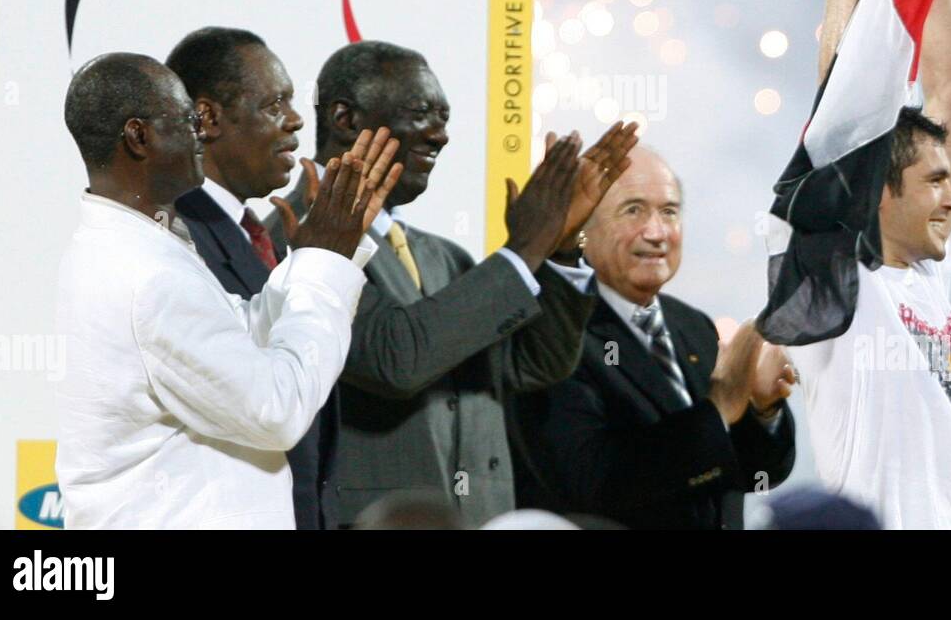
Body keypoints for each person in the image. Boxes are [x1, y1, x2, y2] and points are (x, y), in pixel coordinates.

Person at [266, 41, 638, 527]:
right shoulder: (299, 240)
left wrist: (560, 248)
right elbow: (395, 359)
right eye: (421, 113)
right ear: (345, 119)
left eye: (443, 117)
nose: (439, 136)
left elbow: (534, 365)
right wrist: (524, 249)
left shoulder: (445, 256)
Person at [54, 52, 400, 528]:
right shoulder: (146, 274)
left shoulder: (130, 246)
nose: (201, 132)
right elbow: (276, 409)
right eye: (187, 118)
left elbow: (242, 336)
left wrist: (315, 255)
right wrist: (325, 264)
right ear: (139, 137)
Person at [757, 0, 951, 528]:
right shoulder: (831, 282)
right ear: (876, 195)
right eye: (934, 181)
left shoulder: (928, 272)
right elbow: (845, 110)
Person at [511, 147, 797, 529]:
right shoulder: (554, 335)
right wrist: (718, 408)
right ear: (582, 227)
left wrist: (763, 410)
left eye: (669, 212)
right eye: (633, 210)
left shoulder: (691, 325)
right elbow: (593, 484)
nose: (656, 232)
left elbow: (749, 473)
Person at [166, 26, 340, 529]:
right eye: (274, 104)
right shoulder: (179, 237)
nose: (295, 119)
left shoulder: (247, 234)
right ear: (207, 119)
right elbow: (262, 401)